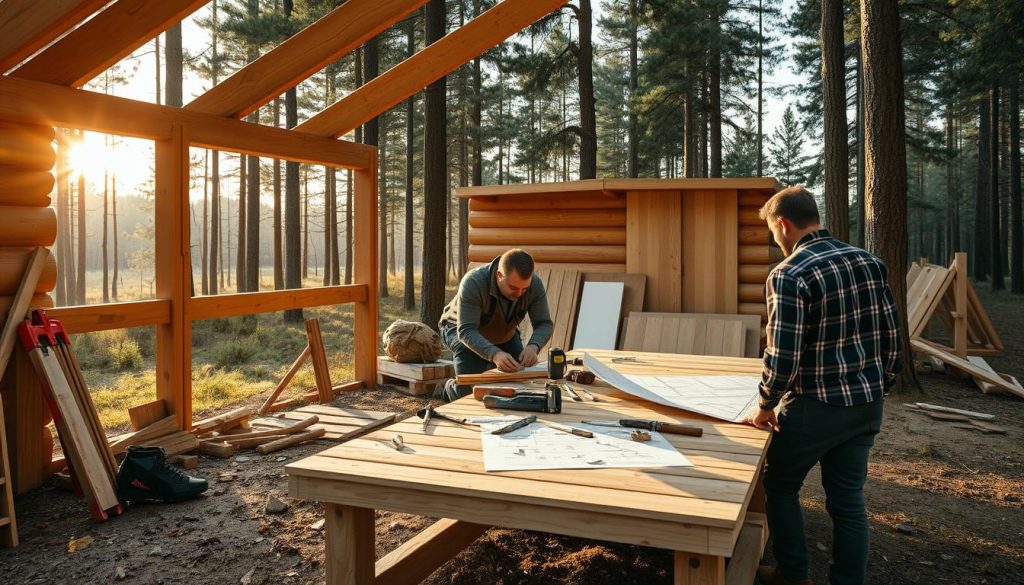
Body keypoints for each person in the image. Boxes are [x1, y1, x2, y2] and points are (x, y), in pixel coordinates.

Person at [747, 186, 902, 585]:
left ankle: (792, 574)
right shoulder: (870, 262)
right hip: (866, 404)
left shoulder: (789, 273)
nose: (775, 239)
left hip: (815, 406)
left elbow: (782, 354)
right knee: (848, 503)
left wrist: (765, 405)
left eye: (772, 231)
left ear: (783, 224)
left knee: (779, 485)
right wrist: (879, 387)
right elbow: (891, 335)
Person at [438, 248, 553, 402]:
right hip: (461, 330)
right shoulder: (473, 282)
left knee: (520, 382)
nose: (519, 294)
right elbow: (466, 330)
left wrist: (533, 346)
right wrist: (495, 354)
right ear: (499, 275)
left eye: (524, 289)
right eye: (513, 288)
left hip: (503, 332)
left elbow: (544, 323)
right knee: (468, 395)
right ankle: (448, 388)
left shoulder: (535, 284)